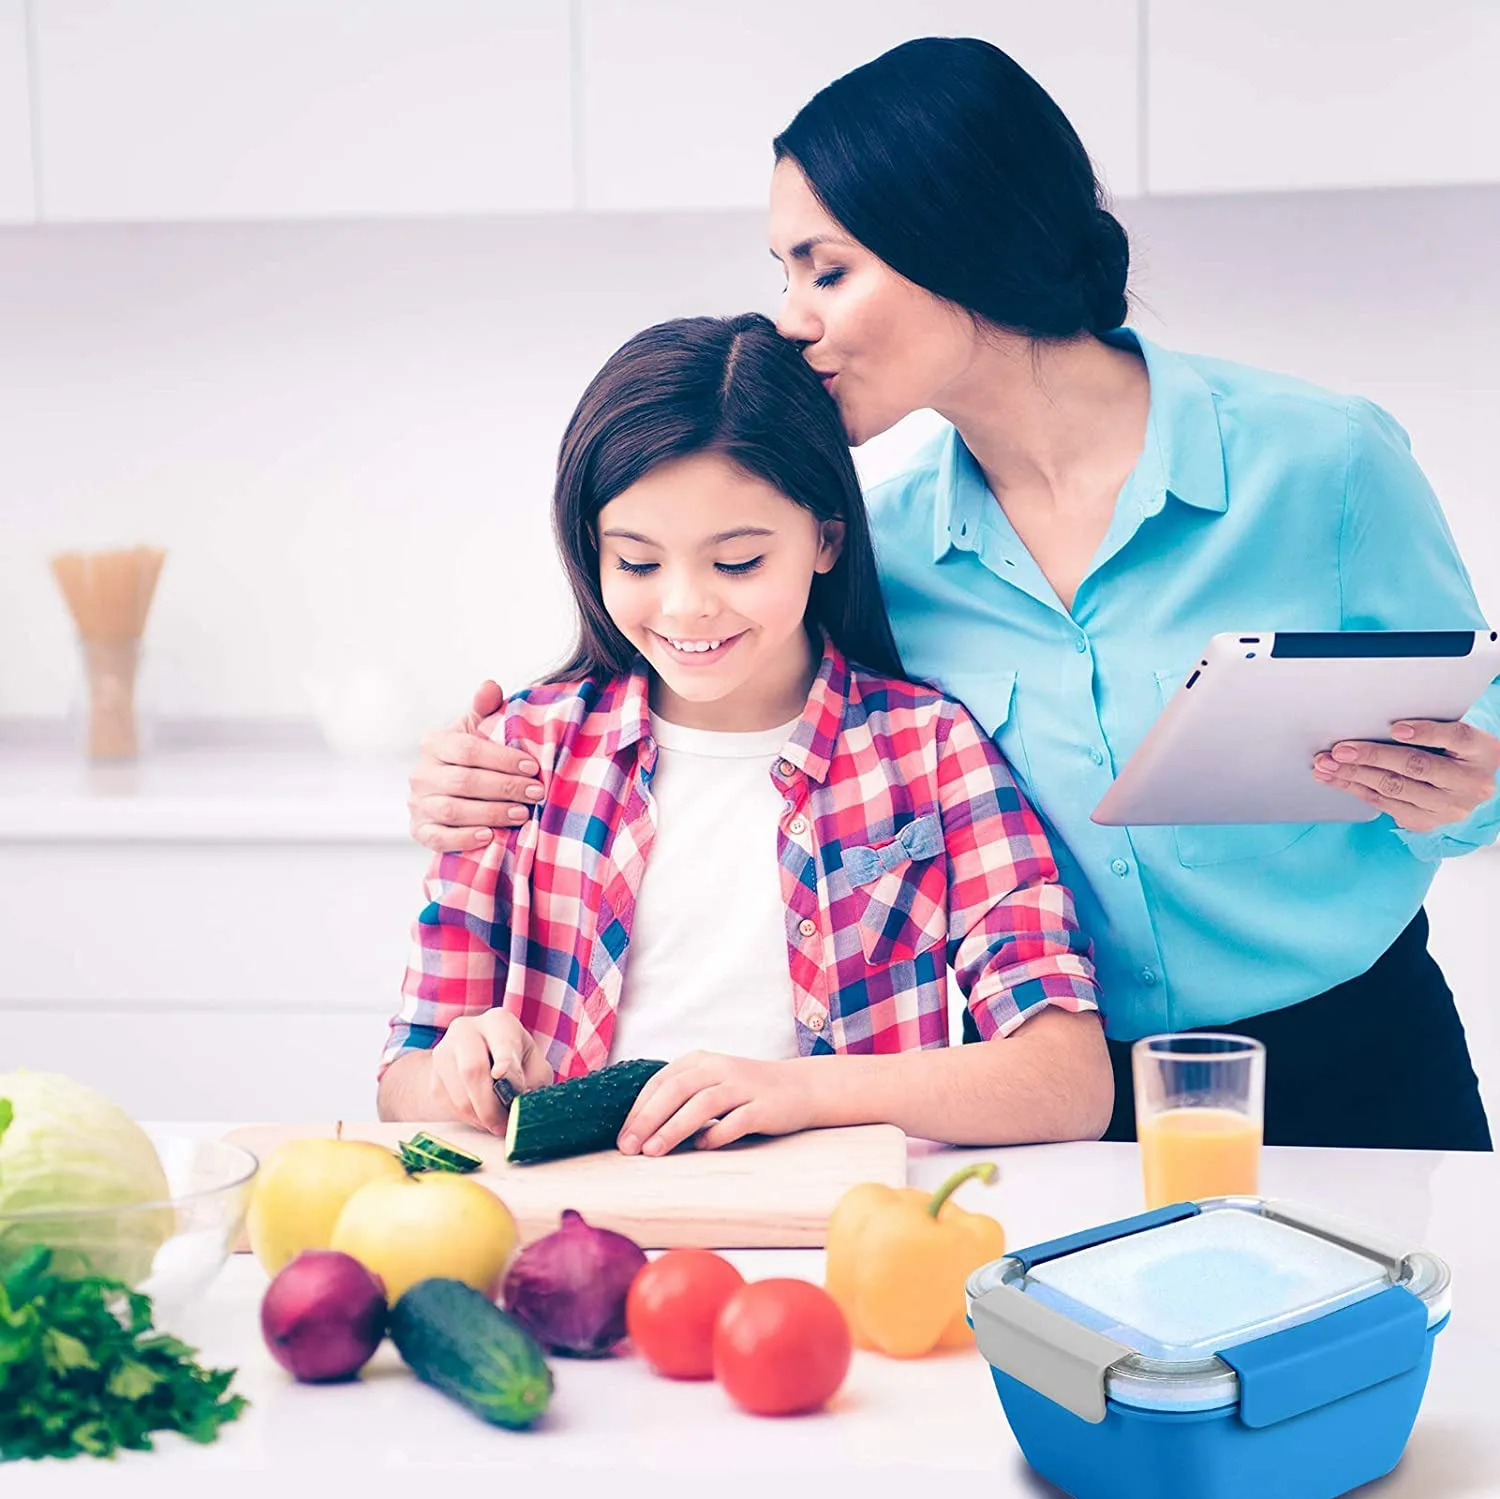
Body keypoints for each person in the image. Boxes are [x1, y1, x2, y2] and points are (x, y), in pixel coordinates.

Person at [407, 38, 1500, 1152]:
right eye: (785, 274)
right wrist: (476, 786)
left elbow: (1483, 732)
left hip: (1359, 1050)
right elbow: (701, 687)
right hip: (1059, 1099)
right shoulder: (873, 544)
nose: (792, 318)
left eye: (825, 270)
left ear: (960, 242)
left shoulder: (1326, 465)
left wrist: (1471, 783)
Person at [377, 312, 1112, 1153]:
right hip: (580, 1230)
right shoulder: (519, 756)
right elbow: (404, 1078)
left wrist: (802, 1092)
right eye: (639, 563)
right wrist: (454, 1072)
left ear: (826, 538)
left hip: (836, 1236)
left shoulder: (930, 750)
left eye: (737, 563)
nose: (687, 605)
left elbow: (1069, 1082)